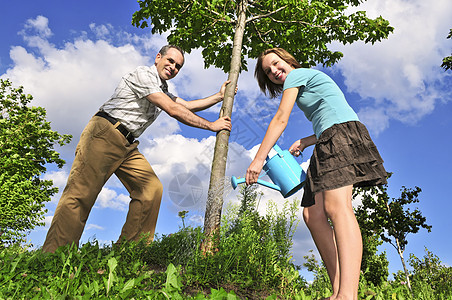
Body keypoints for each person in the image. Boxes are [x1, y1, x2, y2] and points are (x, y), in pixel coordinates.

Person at [42, 45, 233, 253]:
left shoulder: (163, 90)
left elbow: (186, 105)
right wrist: (211, 125)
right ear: (158, 57)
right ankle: (53, 257)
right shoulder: (143, 74)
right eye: (170, 61)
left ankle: (128, 254)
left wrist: (219, 96)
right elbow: (173, 109)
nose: (173, 67)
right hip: (105, 132)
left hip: (128, 144)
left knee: (150, 189)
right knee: (81, 193)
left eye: (178, 66)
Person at [246, 48, 387, 300]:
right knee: (312, 214)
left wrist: (258, 160)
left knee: (338, 207)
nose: (275, 72)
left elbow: (280, 119)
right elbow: (331, 113)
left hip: (339, 137)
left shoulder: (297, 75)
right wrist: (306, 140)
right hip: (328, 138)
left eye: (276, 64)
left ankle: (348, 295)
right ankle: (337, 291)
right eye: (268, 72)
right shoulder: (303, 82)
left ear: (288, 60)